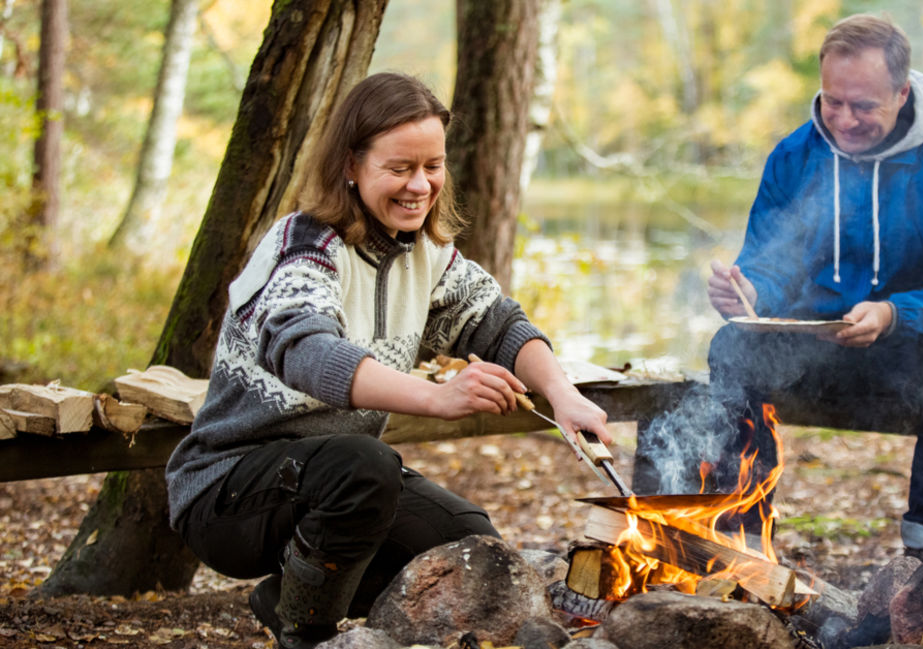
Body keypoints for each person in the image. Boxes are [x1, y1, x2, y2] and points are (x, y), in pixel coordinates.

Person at [164, 72, 610, 649]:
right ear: (351, 165)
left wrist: (565, 395)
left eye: (432, 166)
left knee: (468, 543)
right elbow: (304, 351)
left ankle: (290, 594)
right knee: (365, 464)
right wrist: (437, 397)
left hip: (335, 480)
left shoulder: (425, 256)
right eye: (399, 168)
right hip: (227, 492)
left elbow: (500, 324)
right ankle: (308, 632)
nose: (420, 185)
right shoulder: (303, 244)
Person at [701, 14, 923, 560]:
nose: (843, 119)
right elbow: (768, 266)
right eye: (833, 101)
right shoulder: (794, 156)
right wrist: (747, 294)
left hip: (905, 358)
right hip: (812, 355)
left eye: (864, 106)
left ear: (902, 93)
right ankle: (740, 538)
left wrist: (892, 313)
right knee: (733, 345)